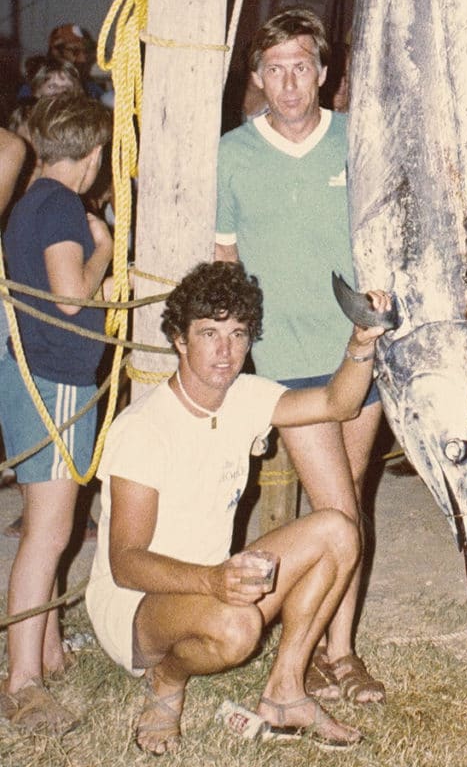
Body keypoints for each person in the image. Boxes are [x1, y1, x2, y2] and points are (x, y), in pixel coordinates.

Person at [86, 262, 390, 753]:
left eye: (238, 334)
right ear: (179, 340)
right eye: (208, 333)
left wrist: (361, 343)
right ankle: (166, 680)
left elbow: (338, 404)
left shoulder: (244, 396)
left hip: (215, 584)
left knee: (339, 528)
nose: (225, 351)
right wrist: (211, 581)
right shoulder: (143, 429)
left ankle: (286, 692)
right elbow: (126, 565)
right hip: (138, 608)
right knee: (238, 627)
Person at [215, 7, 386, 704]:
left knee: (352, 509)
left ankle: (328, 647)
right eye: (274, 69)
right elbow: (223, 258)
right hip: (286, 360)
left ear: (324, 73)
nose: (289, 83)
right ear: (258, 78)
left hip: (360, 353)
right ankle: (329, 654)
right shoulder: (233, 153)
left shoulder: (357, 141)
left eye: (301, 67)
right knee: (337, 514)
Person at [0, 93, 113, 734]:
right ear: (93, 155)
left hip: (31, 374)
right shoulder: (66, 207)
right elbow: (71, 299)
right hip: (55, 379)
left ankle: (42, 649)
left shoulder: (29, 204)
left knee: (55, 528)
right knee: (48, 532)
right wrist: (101, 245)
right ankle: (22, 680)